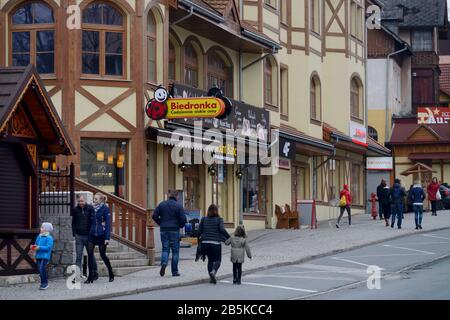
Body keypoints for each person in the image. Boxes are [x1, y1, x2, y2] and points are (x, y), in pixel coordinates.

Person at [152, 190, 187, 277]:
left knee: (165, 249)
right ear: (176, 196)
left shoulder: (162, 204)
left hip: (164, 229)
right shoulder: (179, 206)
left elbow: (154, 216)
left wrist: (161, 223)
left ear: (169, 196)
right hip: (174, 230)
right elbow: (183, 219)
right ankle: (174, 271)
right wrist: (179, 226)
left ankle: (164, 263)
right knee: (175, 251)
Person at [85, 193, 114, 283]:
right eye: (94, 199)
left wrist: (107, 237)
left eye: (96, 199)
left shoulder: (105, 208)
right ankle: (90, 277)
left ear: (101, 200)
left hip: (101, 235)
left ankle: (111, 272)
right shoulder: (91, 208)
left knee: (103, 255)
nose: (94, 200)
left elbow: (108, 224)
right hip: (91, 234)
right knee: (90, 255)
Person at [198, 204, 230, 284]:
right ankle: (214, 271)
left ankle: (211, 277)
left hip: (205, 243)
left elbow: (199, 231)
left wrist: (199, 242)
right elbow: (222, 230)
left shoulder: (203, 219)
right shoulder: (219, 219)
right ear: (216, 211)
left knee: (210, 260)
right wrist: (229, 237)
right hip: (215, 243)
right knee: (218, 260)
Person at [71, 194, 97, 281]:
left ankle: (94, 272)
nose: (80, 203)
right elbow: (73, 223)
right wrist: (74, 234)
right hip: (79, 236)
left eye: (82, 201)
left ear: (85, 200)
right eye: (79, 201)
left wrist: (92, 234)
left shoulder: (90, 208)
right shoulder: (75, 210)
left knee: (91, 255)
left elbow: (93, 221)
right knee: (78, 256)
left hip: (88, 236)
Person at [32, 222, 54, 290]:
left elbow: (48, 248)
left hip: (45, 256)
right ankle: (42, 283)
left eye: (42, 227)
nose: (40, 228)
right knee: (40, 270)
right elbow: (36, 245)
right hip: (38, 256)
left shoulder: (49, 238)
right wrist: (33, 247)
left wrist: (39, 247)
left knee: (42, 269)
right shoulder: (39, 236)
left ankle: (45, 283)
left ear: (46, 229)